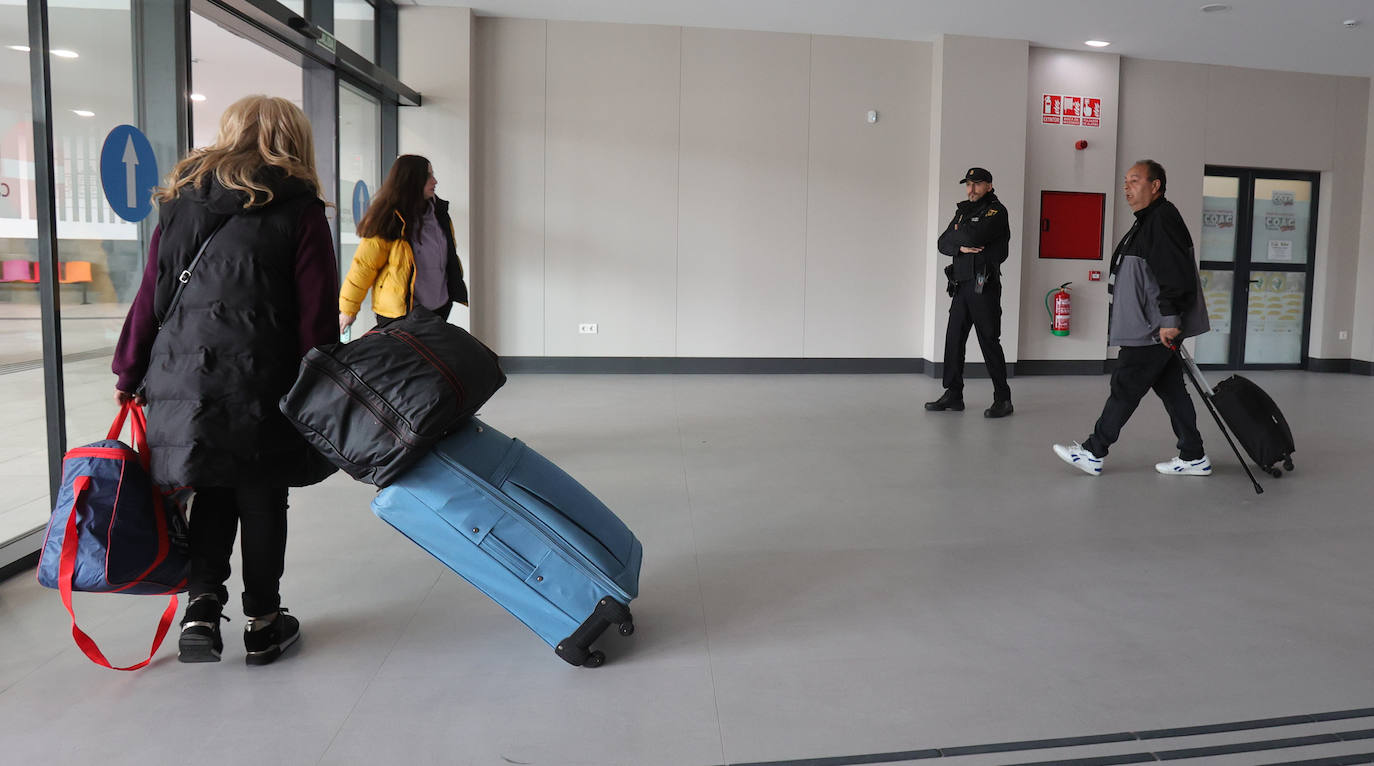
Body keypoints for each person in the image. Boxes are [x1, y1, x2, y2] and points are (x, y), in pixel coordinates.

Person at [112, 95, 339, 664]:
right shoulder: (301, 209)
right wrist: (323, 380)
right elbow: (316, 314)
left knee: (208, 485)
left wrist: (130, 367)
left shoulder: (181, 201)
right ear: (294, 142)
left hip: (182, 373)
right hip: (264, 376)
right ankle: (263, 623)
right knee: (262, 494)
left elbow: (153, 294)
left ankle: (201, 613)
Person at [1053, 160, 1211, 477]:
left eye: (1135, 180)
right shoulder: (1148, 220)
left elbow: (1173, 274)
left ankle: (1094, 451)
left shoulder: (1162, 220)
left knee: (1125, 386)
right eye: (1125, 181)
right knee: (1173, 392)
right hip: (1150, 324)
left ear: (1156, 186)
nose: (1127, 186)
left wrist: (1169, 318)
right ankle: (1193, 456)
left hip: (1152, 328)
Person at [338, 154, 468, 334]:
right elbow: (363, 267)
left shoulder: (440, 214)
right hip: (399, 315)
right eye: (428, 176)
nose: (435, 181)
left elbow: (448, 257)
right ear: (412, 181)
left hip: (438, 310)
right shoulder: (389, 220)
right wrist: (348, 310)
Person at [926, 167, 1014, 418]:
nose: (971, 189)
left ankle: (1003, 399)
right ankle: (954, 394)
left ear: (989, 185)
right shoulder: (963, 210)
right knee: (953, 339)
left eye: (977, 184)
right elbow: (942, 243)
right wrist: (961, 246)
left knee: (988, 340)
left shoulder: (996, 211)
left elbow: (975, 235)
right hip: (961, 285)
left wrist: (959, 238)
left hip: (983, 285)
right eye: (968, 184)